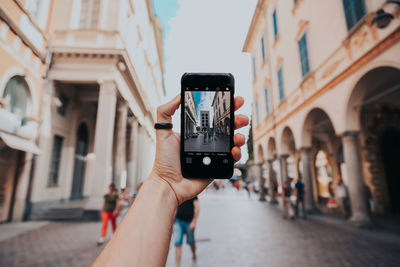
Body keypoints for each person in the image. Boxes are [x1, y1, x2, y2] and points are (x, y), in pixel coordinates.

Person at [92, 94, 248, 266]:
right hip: (180, 218)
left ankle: (188, 254)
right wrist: (165, 181)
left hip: (186, 218)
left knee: (186, 241)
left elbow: (195, 206)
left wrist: (165, 184)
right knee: (179, 242)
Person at [174, 196, 199, 267]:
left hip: (189, 222)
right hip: (179, 221)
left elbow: (197, 209)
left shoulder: (193, 195)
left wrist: (193, 222)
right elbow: (175, 206)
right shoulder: (179, 192)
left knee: (191, 242)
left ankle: (194, 254)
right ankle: (177, 265)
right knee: (178, 243)